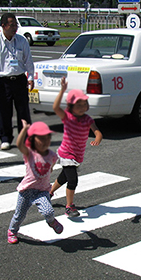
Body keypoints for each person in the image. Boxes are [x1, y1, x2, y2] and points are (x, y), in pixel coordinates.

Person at [49, 77, 103, 217]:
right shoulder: (67, 116)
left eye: (84, 103)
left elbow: (97, 132)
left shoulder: (87, 119)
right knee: (73, 179)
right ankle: (69, 206)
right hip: (67, 154)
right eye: (78, 104)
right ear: (71, 106)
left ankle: (49, 192)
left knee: (64, 177)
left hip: (77, 155)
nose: (82, 107)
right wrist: (62, 90)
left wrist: (97, 138)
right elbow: (55, 108)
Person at [0, 12, 34, 151]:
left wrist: (30, 77)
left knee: (23, 111)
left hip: (19, 79)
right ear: (3, 26)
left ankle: (24, 138)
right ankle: (5, 138)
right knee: (3, 112)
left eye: (15, 25)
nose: (14, 28)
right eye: (11, 25)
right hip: (2, 81)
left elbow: (28, 60)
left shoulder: (22, 40)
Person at [7, 120, 63, 244]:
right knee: (20, 214)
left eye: (47, 138)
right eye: (41, 139)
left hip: (42, 190)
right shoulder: (30, 154)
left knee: (49, 211)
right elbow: (19, 144)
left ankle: (51, 221)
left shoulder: (52, 155)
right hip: (26, 190)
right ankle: (12, 231)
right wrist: (24, 130)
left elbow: (52, 165)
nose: (45, 142)